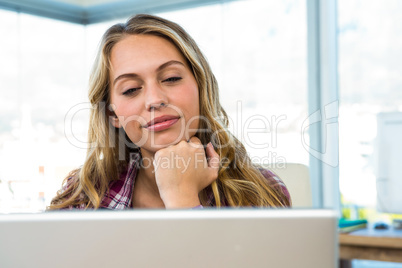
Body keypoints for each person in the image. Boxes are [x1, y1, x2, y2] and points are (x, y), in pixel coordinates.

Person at [48, 14, 291, 210]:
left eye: (172, 78)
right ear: (112, 115)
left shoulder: (261, 193)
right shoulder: (82, 199)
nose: (155, 100)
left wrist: (182, 199)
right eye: (131, 89)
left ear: (200, 87)